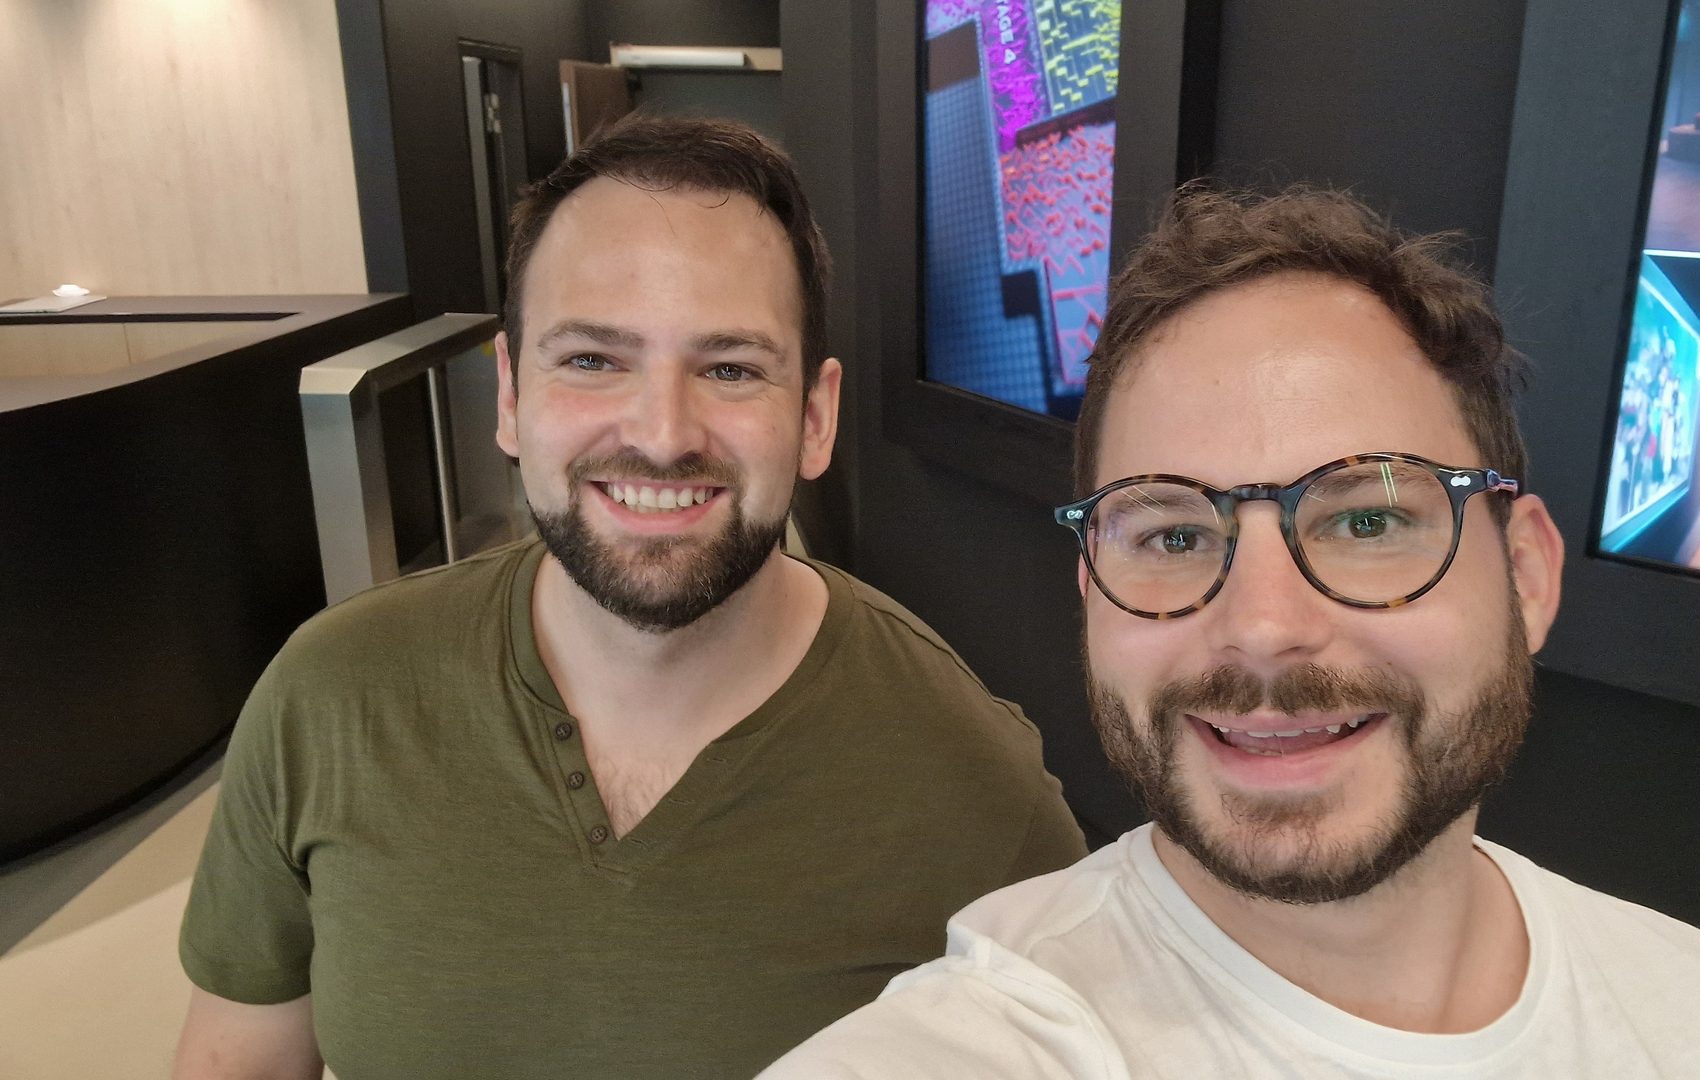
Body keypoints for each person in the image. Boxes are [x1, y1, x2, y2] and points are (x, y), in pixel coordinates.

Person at [762, 186, 1700, 1078]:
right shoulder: (989, 1041)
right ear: (1091, 594)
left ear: (1527, 576)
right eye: (1173, 535)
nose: (1261, 630)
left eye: (1369, 518)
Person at [172, 113, 1086, 1080]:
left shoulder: (976, 790)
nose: (660, 434)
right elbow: (240, 1056)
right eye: (594, 360)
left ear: (814, 419)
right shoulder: (327, 698)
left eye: (731, 368)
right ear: (513, 397)